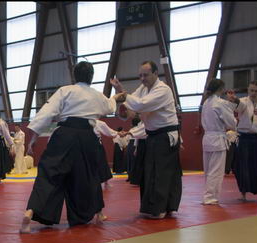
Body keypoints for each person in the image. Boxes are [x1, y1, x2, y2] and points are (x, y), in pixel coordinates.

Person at [20, 61, 120, 233]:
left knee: (49, 174)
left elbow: (47, 112)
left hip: (64, 135)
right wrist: (116, 95)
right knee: (90, 176)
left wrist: (33, 138)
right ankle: (97, 213)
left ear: (75, 75)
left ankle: (30, 211)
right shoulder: (97, 95)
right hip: (87, 137)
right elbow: (110, 106)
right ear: (91, 76)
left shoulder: (65, 91)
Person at [111, 60, 181, 219]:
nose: (142, 78)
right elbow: (131, 109)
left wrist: (123, 92)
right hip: (152, 135)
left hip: (165, 136)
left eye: (146, 75)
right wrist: (123, 110)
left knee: (162, 174)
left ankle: (161, 209)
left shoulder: (163, 90)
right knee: (150, 173)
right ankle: (156, 207)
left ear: (156, 74)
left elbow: (141, 105)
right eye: (140, 75)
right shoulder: (143, 89)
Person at [200, 78, 238, 205]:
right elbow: (231, 122)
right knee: (216, 170)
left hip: (207, 138)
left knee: (208, 170)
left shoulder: (206, 103)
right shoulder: (220, 103)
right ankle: (210, 196)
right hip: (217, 139)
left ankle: (208, 194)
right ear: (221, 89)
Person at [227, 80, 257, 200]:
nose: (254, 93)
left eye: (256, 91)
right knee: (242, 166)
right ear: (248, 90)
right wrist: (234, 99)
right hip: (244, 137)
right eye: (252, 90)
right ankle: (243, 193)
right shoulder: (244, 101)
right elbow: (240, 106)